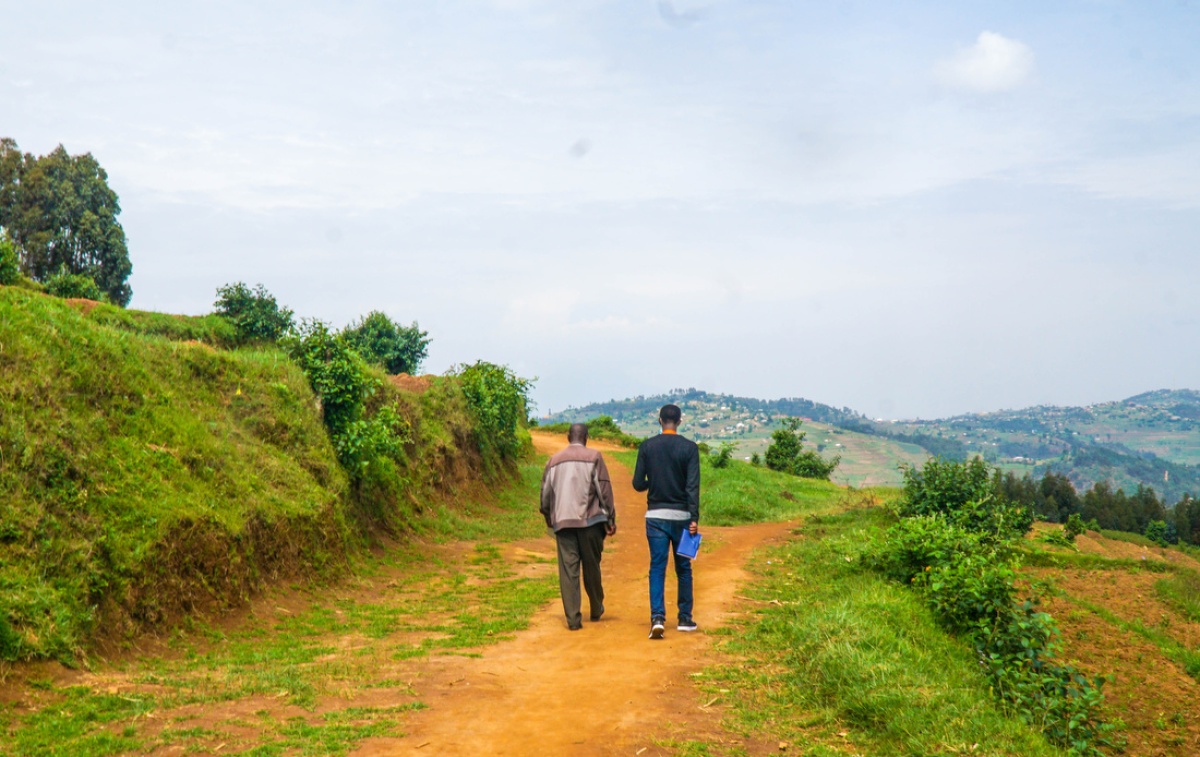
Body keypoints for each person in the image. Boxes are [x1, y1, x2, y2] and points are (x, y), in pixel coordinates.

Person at [540, 422, 617, 630]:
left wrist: (548, 515)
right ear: (586, 437)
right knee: (592, 566)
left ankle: (573, 620)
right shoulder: (594, 457)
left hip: (563, 523)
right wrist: (610, 518)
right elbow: (604, 490)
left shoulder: (553, 461)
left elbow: (546, 493)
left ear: (568, 437)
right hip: (590, 522)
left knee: (568, 570)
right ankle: (595, 606)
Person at [633, 403, 700, 639]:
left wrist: (655, 481)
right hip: (682, 517)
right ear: (680, 422)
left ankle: (657, 618)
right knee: (683, 568)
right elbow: (692, 486)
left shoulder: (647, 446)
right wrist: (694, 518)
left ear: (660, 421)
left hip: (656, 517)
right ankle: (685, 618)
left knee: (657, 567)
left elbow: (637, 484)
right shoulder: (690, 448)